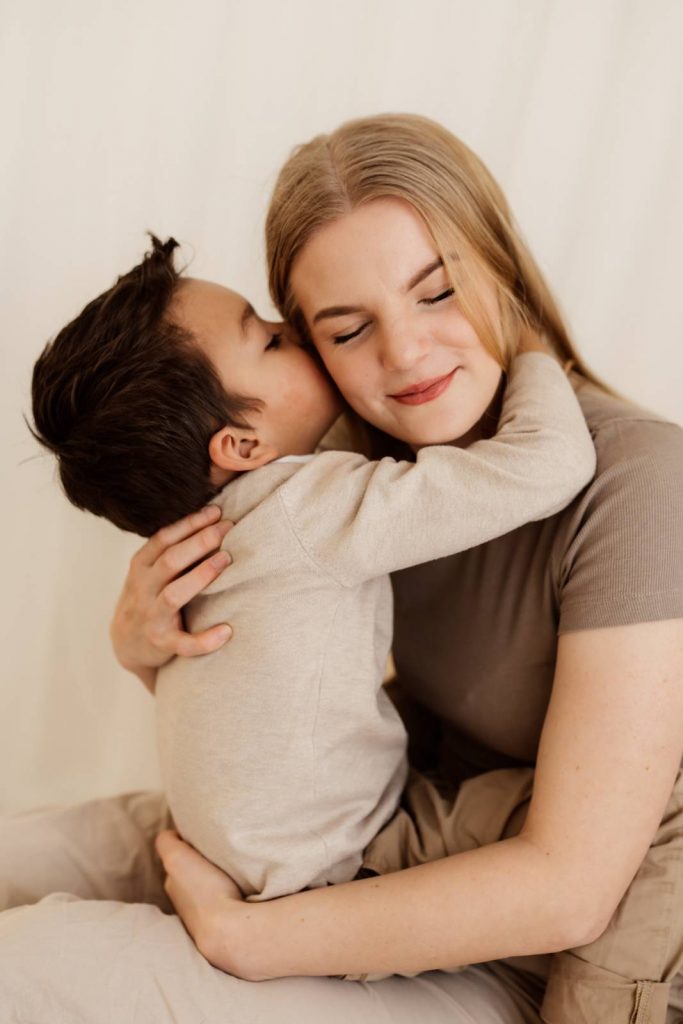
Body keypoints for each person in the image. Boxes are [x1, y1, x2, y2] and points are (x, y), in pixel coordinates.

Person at [1, 113, 682, 1024]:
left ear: (500, 269)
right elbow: (276, 696)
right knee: (18, 859)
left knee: (30, 966)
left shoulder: (640, 484)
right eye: (346, 329)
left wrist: (250, 937)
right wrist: (145, 646)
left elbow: (570, 889)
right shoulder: (349, 464)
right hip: (366, 833)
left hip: (500, 937)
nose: (405, 354)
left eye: (438, 292)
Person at [27, 234, 593, 928]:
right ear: (242, 445)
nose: (292, 329)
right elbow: (546, 466)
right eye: (268, 340)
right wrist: (528, 344)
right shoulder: (307, 509)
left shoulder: (205, 524)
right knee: (578, 814)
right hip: (334, 861)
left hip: (232, 837)